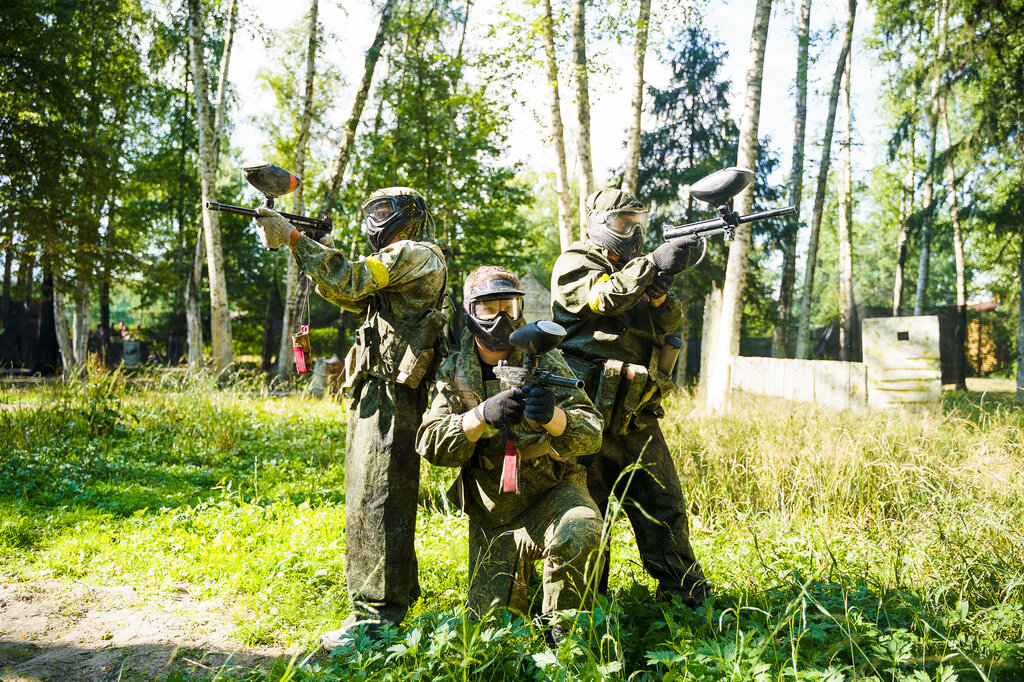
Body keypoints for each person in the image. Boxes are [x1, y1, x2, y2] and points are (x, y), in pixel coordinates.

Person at [254, 188, 448, 649]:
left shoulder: (416, 253)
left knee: (377, 500)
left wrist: (296, 240)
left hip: (394, 394)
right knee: (373, 498)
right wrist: (305, 247)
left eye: (384, 212)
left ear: (410, 217)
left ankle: (376, 621)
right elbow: (350, 295)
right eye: (370, 213)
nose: (375, 220)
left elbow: (352, 278)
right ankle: (394, 599)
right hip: (377, 390)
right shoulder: (403, 259)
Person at [550, 187, 711, 607]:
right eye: (624, 224)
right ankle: (581, 609)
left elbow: (670, 319)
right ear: (600, 225)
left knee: (665, 505)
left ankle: (685, 598)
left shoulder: (636, 271)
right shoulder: (575, 263)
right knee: (589, 511)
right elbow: (604, 299)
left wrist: (660, 285)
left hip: (636, 410)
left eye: (639, 224)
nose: (634, 233)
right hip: (585, 414)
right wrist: (651, 264)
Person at [416, 266, 603, 624]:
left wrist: (553, 417)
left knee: (580, 526)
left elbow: (592, 430)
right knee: (489, 630)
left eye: (510, 307)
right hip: (493, 513)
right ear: (471, 312)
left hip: (552, 492)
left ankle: (565, 643)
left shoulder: (543, 357)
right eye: (490, 308)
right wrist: (482, 415)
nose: (502, 318)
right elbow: (430, 443)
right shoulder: (455, 370)